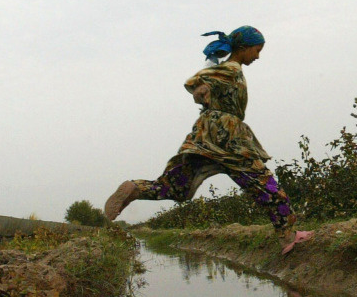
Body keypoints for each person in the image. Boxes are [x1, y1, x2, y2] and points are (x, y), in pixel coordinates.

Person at [104, 25, 312, 252]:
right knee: (266, 186)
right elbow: (195, 80)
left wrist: (203, 90)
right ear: (242, 48)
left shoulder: (226, 69)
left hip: (205, 137)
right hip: (228, 137)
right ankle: (289, 237)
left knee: (176, 188)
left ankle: (135, 188)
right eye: (256, 50)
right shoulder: (232, 68)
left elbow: (202, 79)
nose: (258, 56)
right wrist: (199, 88)